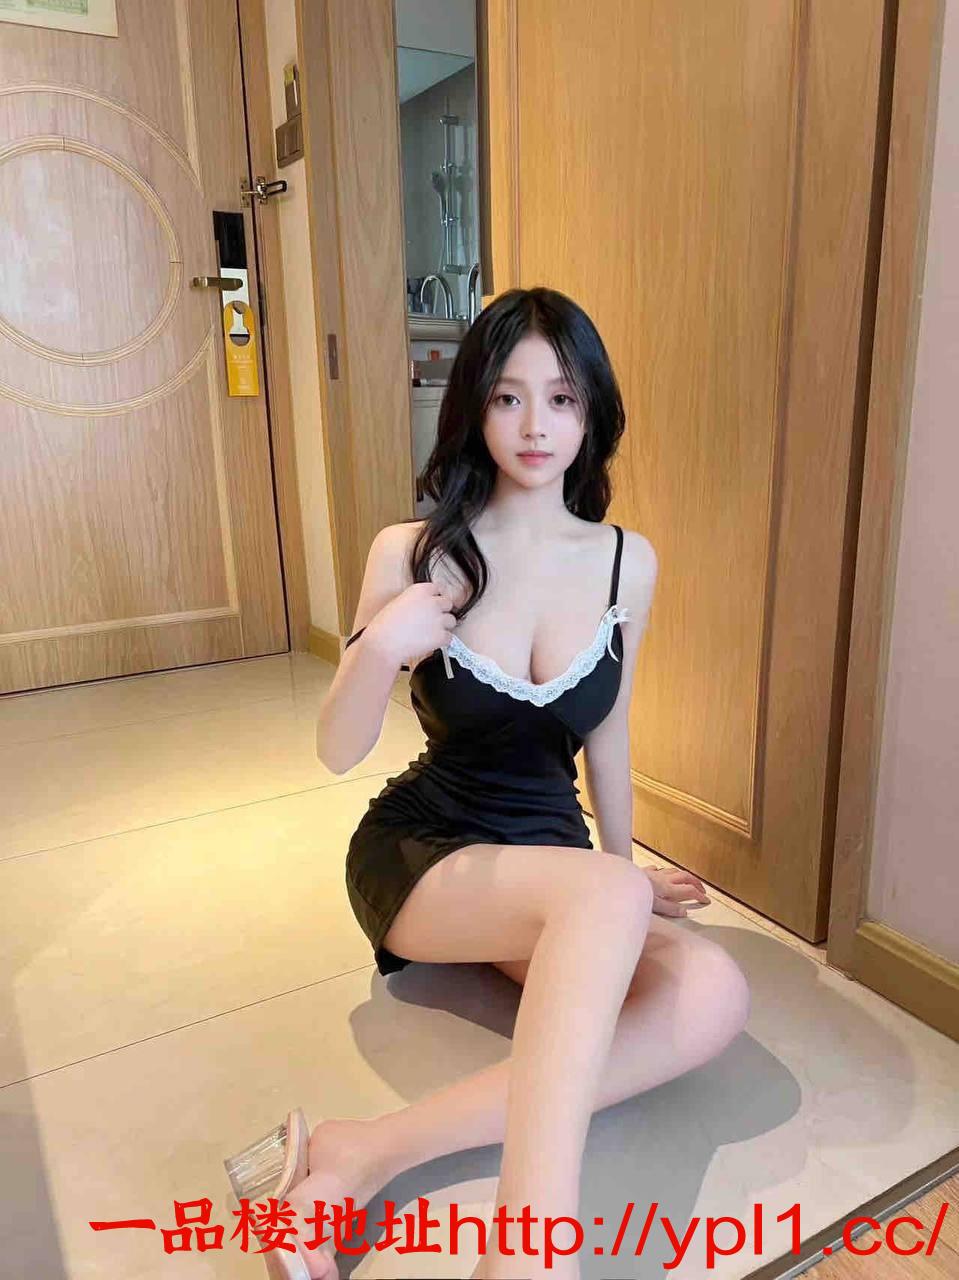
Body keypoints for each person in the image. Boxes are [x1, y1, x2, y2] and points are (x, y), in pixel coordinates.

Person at [224, 287, 751, 1280]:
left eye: (561, 398)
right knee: (607, 905)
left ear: (591, 412)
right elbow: (337, 749)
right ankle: (531, 1255)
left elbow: (606, 727)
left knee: (713, 990)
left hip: (553, 870)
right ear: (473, 406)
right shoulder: (412, 550)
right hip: (427, 851)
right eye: (508, 397)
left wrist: (625, 872)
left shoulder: (625, 562)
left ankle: (359, 1152)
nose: (535, 425)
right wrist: (377, 645)